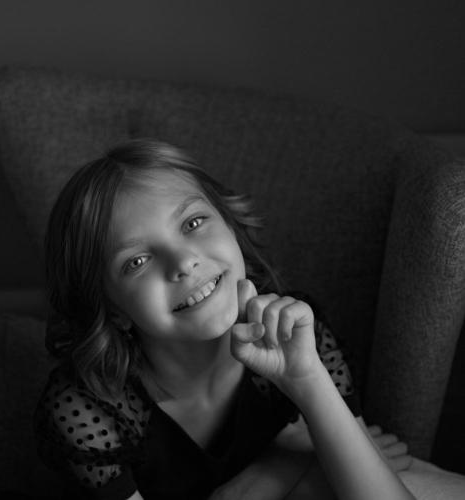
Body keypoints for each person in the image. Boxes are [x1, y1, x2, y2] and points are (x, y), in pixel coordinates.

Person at [34, 139, 461, 500]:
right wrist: (283, 464)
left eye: (193, 222)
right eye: (137, 261)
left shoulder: (292, 330)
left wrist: (308, 381)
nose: (183, 262)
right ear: (111, 308)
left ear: (231, 227)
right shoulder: (86, 408)